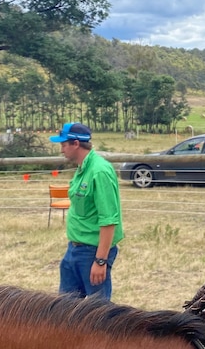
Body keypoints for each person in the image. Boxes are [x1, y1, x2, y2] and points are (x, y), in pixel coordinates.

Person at [52, 122, 124, 299]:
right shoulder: (83, 169)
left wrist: (100, 261)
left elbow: (108, 219)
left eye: (63, 144)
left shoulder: (99, 171)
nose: (62, 150)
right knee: (65, 309)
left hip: (91, 252)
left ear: (76, 144)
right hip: (74, 249)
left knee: (96, 315)